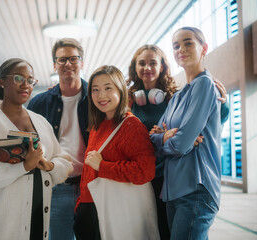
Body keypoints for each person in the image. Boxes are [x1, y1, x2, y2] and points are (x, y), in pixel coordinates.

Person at [128, 44, 230, 239]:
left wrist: (223, 104)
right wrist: (163, 136)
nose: (147, 68)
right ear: (135, 68)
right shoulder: (129, 102)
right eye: (142, 63)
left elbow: (209, 125)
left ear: (162, 67)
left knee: (169, 232)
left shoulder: (175, 97)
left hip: (168, 177)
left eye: (153, 63)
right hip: (140, 179)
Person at [0, 58, 73, 239]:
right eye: (19, 78)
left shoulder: (41, 121)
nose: (26, 85)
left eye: (30, 80)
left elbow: (63, 160)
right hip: (2, 219)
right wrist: (25, 166)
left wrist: (49, 165)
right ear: (2, 81)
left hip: (37, 212)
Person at [149, 27, 223, 239]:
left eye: (188, 43)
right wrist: (164, 138)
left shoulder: (205, 85)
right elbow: (153, 139)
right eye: (176, 45)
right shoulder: (178, 96)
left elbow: (180, 144)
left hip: (195, 189)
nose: (181, 49)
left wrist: (169, 139)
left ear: (204, 48)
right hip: (173, 190)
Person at [73, 65, 156, 240]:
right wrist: (80, 205)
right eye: (95, 90)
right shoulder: (98, 125)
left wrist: (103, 166)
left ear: (120, 89)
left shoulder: (131, 126)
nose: (101, 95)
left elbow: (145, 171)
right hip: (90, 209)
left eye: (107, 88)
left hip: (112, 212)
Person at [27, 38, 88, 240]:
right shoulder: (39, 103)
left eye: (73, 59)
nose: (68, 64)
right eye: (62, 60)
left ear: (82, 62)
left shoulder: (97, 98)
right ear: (54, 65)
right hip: (56, 185)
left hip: (90, 186)